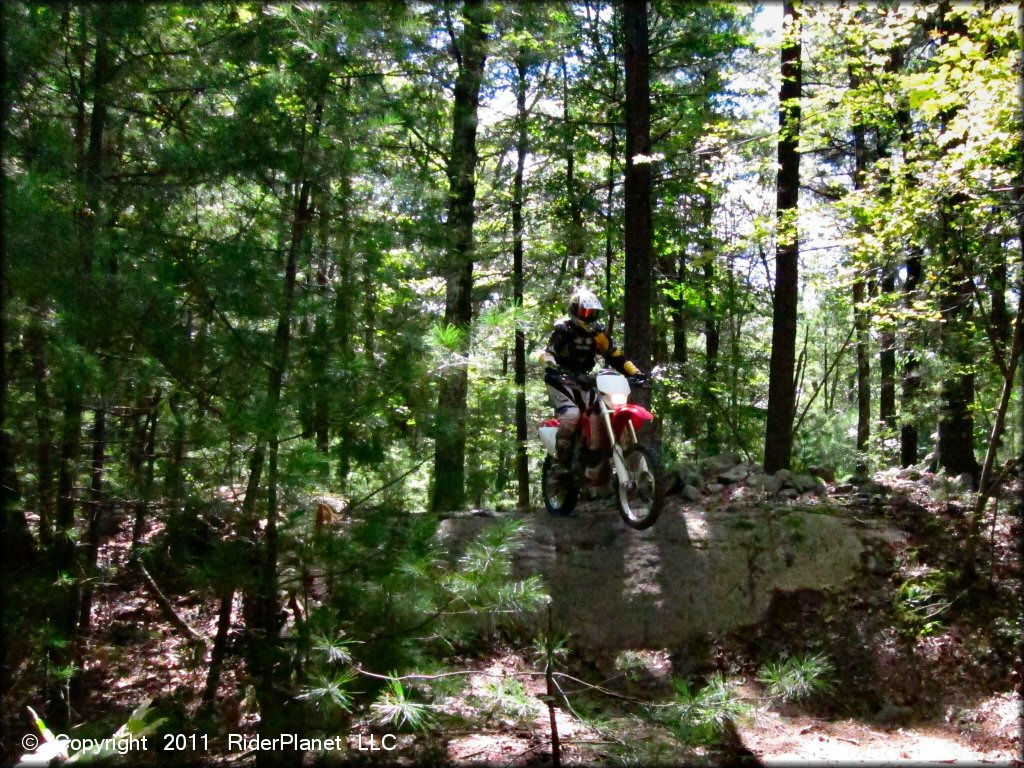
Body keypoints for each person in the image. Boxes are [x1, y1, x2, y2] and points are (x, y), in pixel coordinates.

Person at [539, 288, 644, 474]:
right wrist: (552, 366)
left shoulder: (597, 332)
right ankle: (560, 461)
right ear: (575, 309)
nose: (589, 317)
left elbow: (615, 355)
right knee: (571, 415)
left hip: (584, 379)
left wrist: (634, 372)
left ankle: (594, 453)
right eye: (586, 312)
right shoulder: (563, 329)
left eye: (593, 313)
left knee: (600, 411)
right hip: (560, 379)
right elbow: (548, 353)